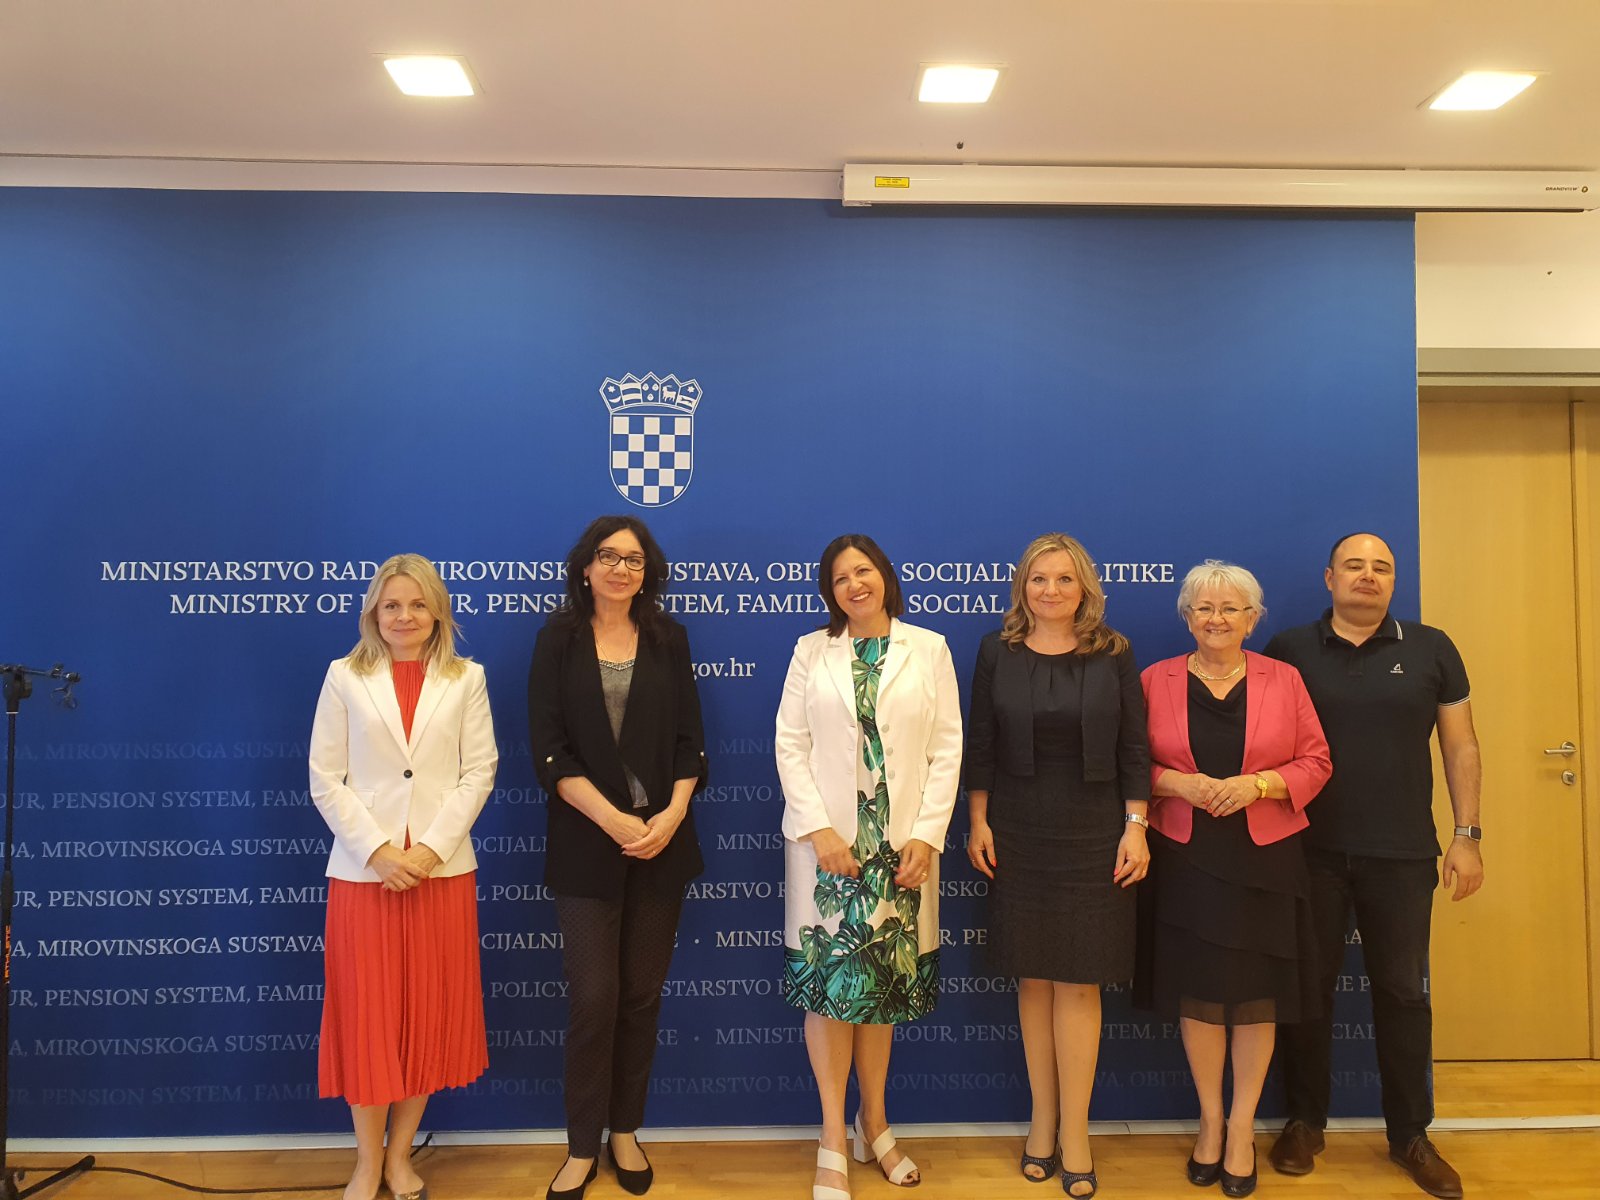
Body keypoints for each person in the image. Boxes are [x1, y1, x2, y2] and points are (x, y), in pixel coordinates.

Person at [1263, 533, 1483, 1200]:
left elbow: (1461, 746)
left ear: (1394, 580)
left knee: (1404, 995)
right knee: (1308, 992)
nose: (1368, 576)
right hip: (1308, 850)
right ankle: (1304, 1123)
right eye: (1354, 566)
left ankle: (1410, 1136)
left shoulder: (1433, 648)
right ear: (1329, 577)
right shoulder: (1289, 650)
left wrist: (1467, 834)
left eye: (1381, 567)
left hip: (1403, 853)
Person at [1135, 560, 1332, 1199]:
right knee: (1199, 994)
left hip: (1264, 858)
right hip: (1185, 855)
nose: (1216, 618)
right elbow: (1129, 762)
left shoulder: (1285, 678)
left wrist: (1259, 785)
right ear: (1187, 616)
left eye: (1231, 608)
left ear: (1253, 618)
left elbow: (1317, 762)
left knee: (1255, 998)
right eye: (1204, 607)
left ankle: (1243, 1126)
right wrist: (1177, 783)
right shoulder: (1154, 679)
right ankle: (1211, 1121)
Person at [776, 534, 962, 1200]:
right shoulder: (810, 650)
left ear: (884, 576)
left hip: (900, 850)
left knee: (880, 991)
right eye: (839, 577)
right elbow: (790, 744)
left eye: (864, 571)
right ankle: (832, 1134)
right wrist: (819, 830)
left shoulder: (929, 648)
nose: (854, 584)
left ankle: (874, 1124)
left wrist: (928, 836)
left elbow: (947, 749)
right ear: (829, 592)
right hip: (829, 850)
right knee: (832, 988)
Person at [965, 533, 1150, 1200]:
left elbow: (1135, 746)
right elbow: (981, 743)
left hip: (1095, 831)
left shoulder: (1114, 652)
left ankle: (1076, 1132)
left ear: (1084, 589)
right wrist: (978, 820)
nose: (1051, 590)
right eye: (1039, 579)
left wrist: (1137, 827)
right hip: (1017, 828)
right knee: (1035, 978)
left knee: (1079, 983)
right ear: (1023, 587)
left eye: (1064, 579)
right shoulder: (997, 651)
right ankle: (1041, 1121)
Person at [528, 515, 708, 1200]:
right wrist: (611, 818)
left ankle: (625, 1131)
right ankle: (582, 1145)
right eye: (608, 556)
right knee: (595, 998)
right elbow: (548, 750)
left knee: (639, 998)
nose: (620, 569)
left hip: (662, 843)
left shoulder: (669, 640)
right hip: (586, 844)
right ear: (585, 567)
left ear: (646, 572)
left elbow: (691, 740)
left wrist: (671, 815)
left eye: (633, 559)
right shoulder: (557, 640)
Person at [309, 553, 498, 1200]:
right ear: (373, 612)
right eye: (392, 605)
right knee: (369, 1022)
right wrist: (380, 852)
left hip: (440, 876)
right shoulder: (344, 676)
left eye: (418, 604)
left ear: (438, 612)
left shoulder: (467, 678)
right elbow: (325, 778)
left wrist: (429, 851)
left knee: (424, 1020)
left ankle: (399, 1158)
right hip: (365, 877)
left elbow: (479, 772)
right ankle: (366, 1163)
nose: (405, 616)